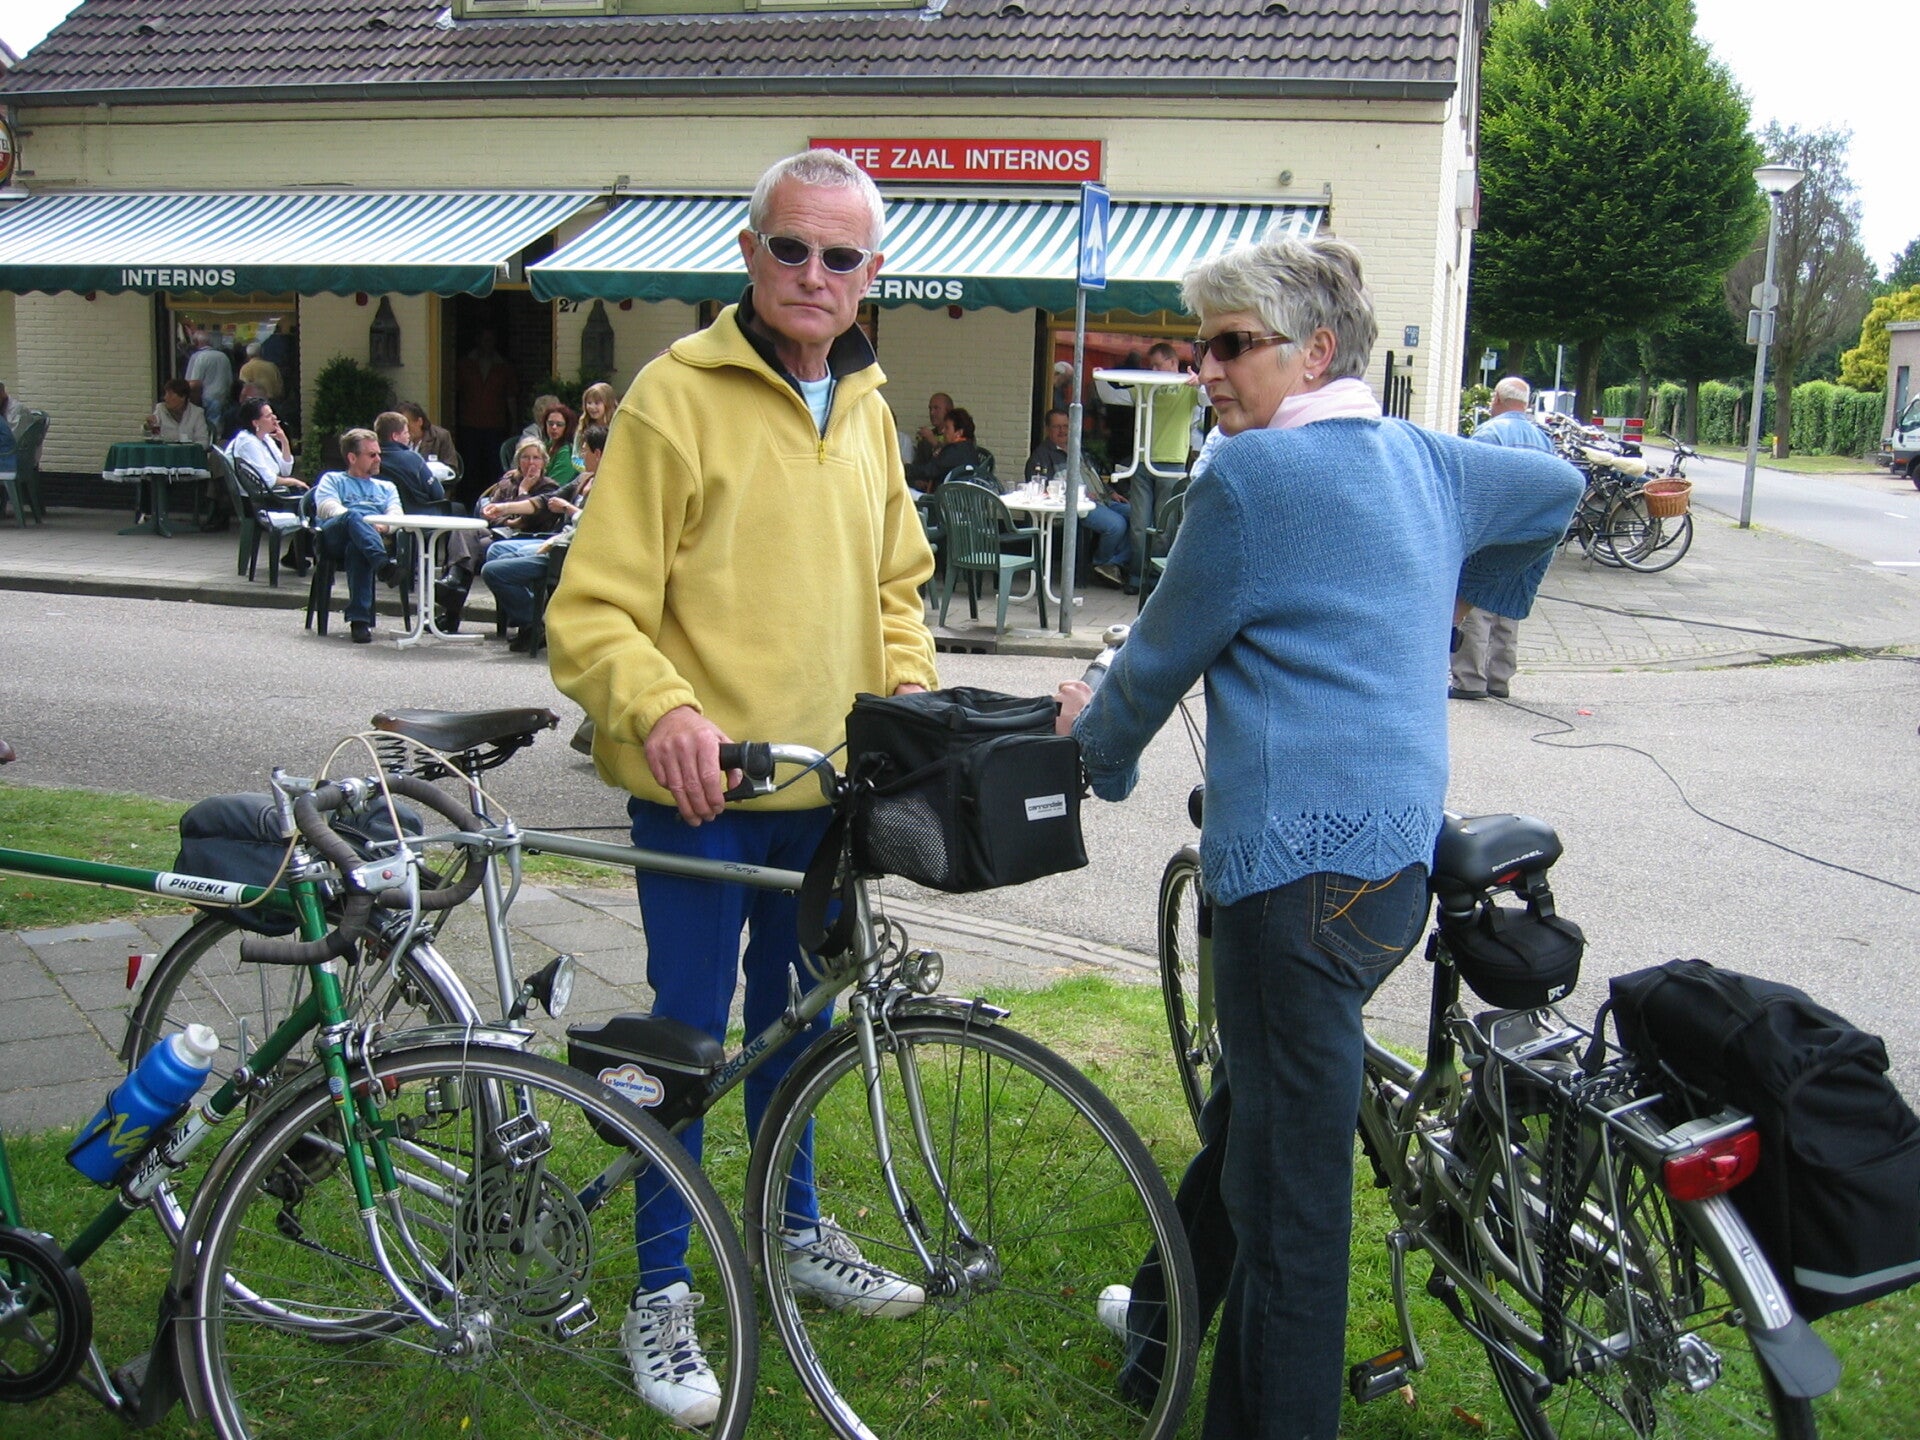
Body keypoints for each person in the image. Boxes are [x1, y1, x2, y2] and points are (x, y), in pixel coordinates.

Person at [1053, 236, 1580, 1440]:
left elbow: (1156, 661)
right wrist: (1454, 582)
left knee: (1293, 1219)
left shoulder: (1250, 481)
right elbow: (1549, 484)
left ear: (1317, 351)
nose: (1207, 371)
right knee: (1260, 1118)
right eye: (1202, 348)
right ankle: (1160, 1326)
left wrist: (1097, 754)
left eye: (1231, 346)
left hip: (1291, 887)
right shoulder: (1425, 462)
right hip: (1392, 877)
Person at [545, 148, 939, 1427]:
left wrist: (908, 697)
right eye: (791, 247)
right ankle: (660, 1288)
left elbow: (897, 588)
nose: (814, 274)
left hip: (825, 794)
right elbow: (591, 611)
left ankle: (790, 1229)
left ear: (873, 273)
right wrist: (661, 709)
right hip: (704, 796)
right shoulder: (674, 395)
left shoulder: (868, 405)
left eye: (841, 256)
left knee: (801, 1028)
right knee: (685, 1042)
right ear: (748, 253)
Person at [1453, 376, 1558, 702]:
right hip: (1531, 531)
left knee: (1477, 600)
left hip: (1495, 529)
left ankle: (1470, 680)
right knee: (1510, 602)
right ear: (1525, 404)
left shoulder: (1489, 433)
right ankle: (1500, 678)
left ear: (1497, 399)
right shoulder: (1543, 440)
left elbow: (1475, 486)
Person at [483, 422, 602, 653]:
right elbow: (544, 502)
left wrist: (568, 508)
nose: (581, 455)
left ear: (598, 454)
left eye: (585, 450)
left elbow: (597, 524)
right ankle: (532, 622)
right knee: (496, 550)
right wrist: (503, 508)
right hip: (557, 539)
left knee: (497, 567)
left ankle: (537, 621)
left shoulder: (609, 485)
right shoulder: (583, 479)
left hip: (568, 549)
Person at [434, 437, 560, 632]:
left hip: (526, 539)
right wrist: (508, 522)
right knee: (464, 529)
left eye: (536, 458)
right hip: (498, 532)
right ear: (518, 460)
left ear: (544, 461)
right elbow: (489, 514)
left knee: (468, 553)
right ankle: (454, 578)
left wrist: (524, 491)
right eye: (525, 457)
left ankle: (452, 603)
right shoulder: (507, 482)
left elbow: (533, 520)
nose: (531, 463)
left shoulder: (549, 487)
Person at [311, 429, 403, 644]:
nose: (378, 459)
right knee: (353, 516)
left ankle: (359, 621)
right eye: (372, 455)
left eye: (378, 454)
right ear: (352, 458)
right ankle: (383, 565)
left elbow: (396, 515)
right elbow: (326, 507)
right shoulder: (333, 479)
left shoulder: (386, 487)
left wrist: (385, 526)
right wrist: (363, 524)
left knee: (357, 547)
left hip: (366, 542)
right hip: (335, 537)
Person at [1025, 407, 1133, 586]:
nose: (1062, 431)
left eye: (1066, 426)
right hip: (1079, 505)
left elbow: (1093, 477)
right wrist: (1079, 493)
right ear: (1047, 429)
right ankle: (1101, 562)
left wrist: (1111, 492)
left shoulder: (1076, 449)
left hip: (1103, 498)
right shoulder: (1041, 456)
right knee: (1117, 525)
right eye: (1057, 426)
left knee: (1138, 517)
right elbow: (1042, 489)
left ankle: (1113, 563)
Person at [454, 328, 516, 506]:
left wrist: (513, 423)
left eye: (491, 340)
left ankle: (494, 501)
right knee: (471, 466)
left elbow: (510, 396)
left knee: (493, 466)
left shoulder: (503, 367)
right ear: (478, 341)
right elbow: (455, 392)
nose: (487, 344)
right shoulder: (465, 365)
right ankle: (469, 502)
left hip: (495, 424)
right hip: (469, 422)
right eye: (485, 340)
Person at [225, 396, 305, 495]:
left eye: (273, 414)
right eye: (268, 416)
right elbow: (268, 480)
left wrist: (284, 441)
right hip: (261, 497)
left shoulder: (264, 437)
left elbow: (286, 470)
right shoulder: (248, 443)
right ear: (256, 423)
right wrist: (294, 482)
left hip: (272, 492)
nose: (274, 418)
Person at [373, 410, 446, 512]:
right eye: (406, 432)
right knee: (458, 509)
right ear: (395, 436)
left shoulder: (370, 460)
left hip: (382, 512)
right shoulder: (414, 459)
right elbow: (438, 494)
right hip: (416, 514)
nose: (409, 436)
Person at [184, 330, 234, 439]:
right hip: (222, 395)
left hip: (206, 397)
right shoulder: (223, 356)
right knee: (217, 427)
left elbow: (194, 382)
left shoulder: (198, 357)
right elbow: (230, 380)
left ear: (196, 342)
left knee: (204, 427)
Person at [145, 378, 210, 444]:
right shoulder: (160, 408)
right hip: (166, 449)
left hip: (188, 450)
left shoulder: (197, 413)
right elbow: (152, 435)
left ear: (183, 397)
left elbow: (203, 441)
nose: (165, 398)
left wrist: (189, 448)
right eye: (165, 394)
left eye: (170, 394)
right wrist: (148, 426)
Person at [399, 400, 459, 469]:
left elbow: (452, 468)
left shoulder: (440, 436)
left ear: (419, 421)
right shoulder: (397, 437)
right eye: (400, 426)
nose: (404, 430)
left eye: (407, 425)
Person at [572, 383, 618, 469]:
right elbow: (575, 458)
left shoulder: (616, 427)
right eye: (589, 403)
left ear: (608, 404)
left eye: (597, 403)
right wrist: (589, 468)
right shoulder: (583, 428)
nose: (592, 407)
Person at [540, 402, 581, 485]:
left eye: (559, 424)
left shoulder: (566, 451)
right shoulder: (547, 445)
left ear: (567, 427)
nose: (554, 427)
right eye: (550, 423)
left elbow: (553, 485)